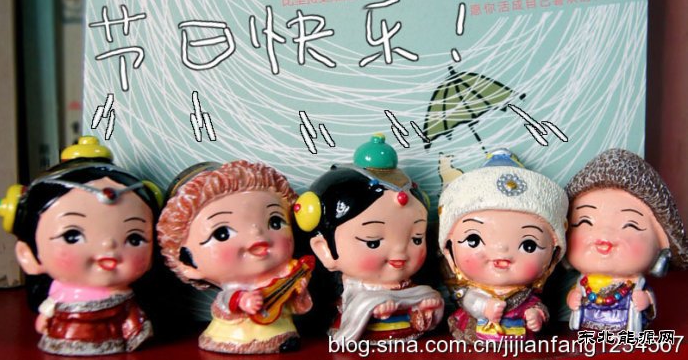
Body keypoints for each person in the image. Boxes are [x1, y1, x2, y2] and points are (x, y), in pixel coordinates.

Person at [0, 135, 160, 355]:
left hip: (112, 338)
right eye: (72, 236)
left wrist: (135, 330)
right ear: (28, 255)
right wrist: (45, 318)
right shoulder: (60, 293)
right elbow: (49, 309)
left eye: (134, 239)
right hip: (65, 336)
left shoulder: (123, 297)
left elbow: (132, 319)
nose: (108, 245)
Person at [294, 133, 443, 345]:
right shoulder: (355, 289)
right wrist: (373, 305)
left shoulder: (409, 286)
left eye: (416, 239)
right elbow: (358, 306)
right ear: (324, 249)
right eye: (373, 242)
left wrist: (426, 307)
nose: (400, 252)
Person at [157, 160, 312, 354]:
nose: (258, 236)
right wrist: (243, 300)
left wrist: (299, 292)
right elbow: (228, 298)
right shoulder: (233, 288)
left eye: (275, 222)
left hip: (282, 329)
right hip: (235, 335)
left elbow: (298, 307)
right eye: (222, 233)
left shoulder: (285, 275)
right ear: (188, 263)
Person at [438, 148, 568, 344]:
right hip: (476, 334)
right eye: (474, 240)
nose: (501, 252)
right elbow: (468, 301)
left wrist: (537, 314)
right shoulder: (470, 292)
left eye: (529, 245)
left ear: (554, 252)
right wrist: (484, 307)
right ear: (449, 246)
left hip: (519, 338)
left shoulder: (525, 295)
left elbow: (537, 305)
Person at [566, 148, 688, 334]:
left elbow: (649, 300)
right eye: (585, 222)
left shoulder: (635, 285)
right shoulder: (584, 283)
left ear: (663, 241)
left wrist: (646, 301)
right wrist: (573, 298)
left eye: (629, 225)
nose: (604, 236)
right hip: (588, 330)